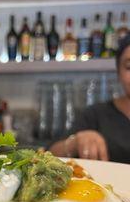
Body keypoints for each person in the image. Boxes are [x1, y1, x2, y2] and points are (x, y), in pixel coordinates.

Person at [50, 33, 130, 163]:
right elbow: (51, 152)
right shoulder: (96, 114)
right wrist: (74, 143)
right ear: (118, 72)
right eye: (129, 67)